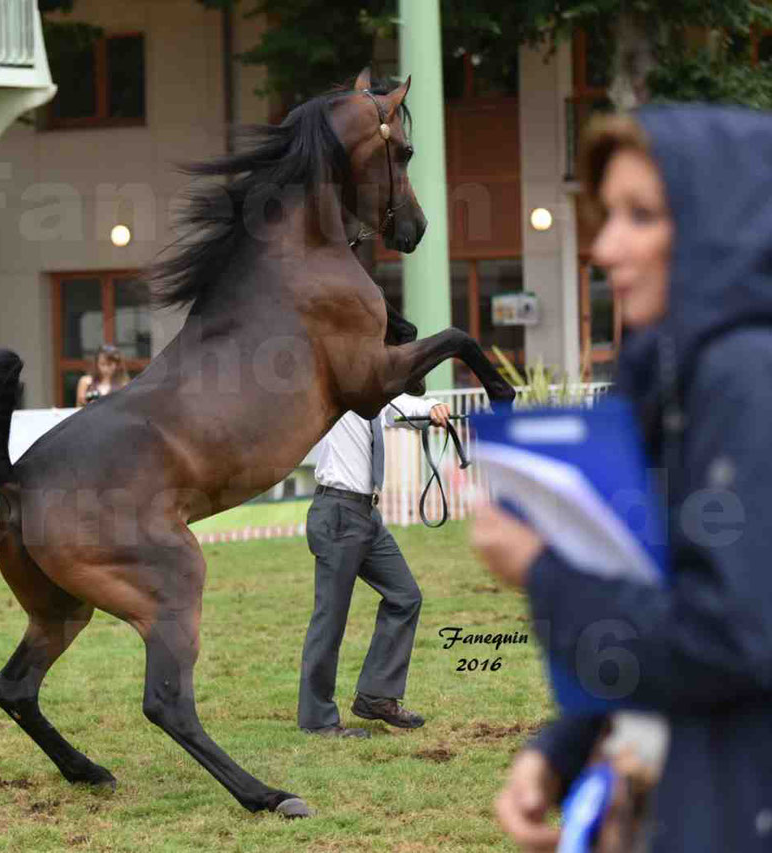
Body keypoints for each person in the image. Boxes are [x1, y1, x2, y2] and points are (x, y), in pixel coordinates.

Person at [472, 105, 772, 852]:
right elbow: (667, 599)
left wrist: (541, 571)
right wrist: (563, 749)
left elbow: (732, 636)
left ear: (716, 228)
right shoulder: (677, 381)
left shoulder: (746, 375)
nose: (605, 246)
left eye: (641, 216)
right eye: (608, 215)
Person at [298, 392, 451, 737]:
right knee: (330, 618)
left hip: (366, 515)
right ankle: (318, 719)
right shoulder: (336, 396)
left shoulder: (377, 399)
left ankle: (376, 697)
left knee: (405, 595)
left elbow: (405, 406)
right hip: (336, 511)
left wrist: (434, 407)